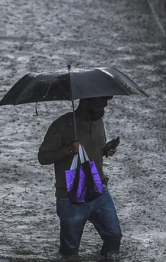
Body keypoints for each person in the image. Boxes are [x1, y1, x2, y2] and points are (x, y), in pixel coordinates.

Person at [38, 96, 122, 258]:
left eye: (105, 105)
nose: (102, 110)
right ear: (85, 103)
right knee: (70, 250)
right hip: (70, 194)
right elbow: (43, 158)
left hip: (98, 187)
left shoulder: (98, 121)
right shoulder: (61, 125)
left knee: (114, 236)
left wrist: (106, 150)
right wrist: (67, 149)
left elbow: (93, 151)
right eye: (99, 106)